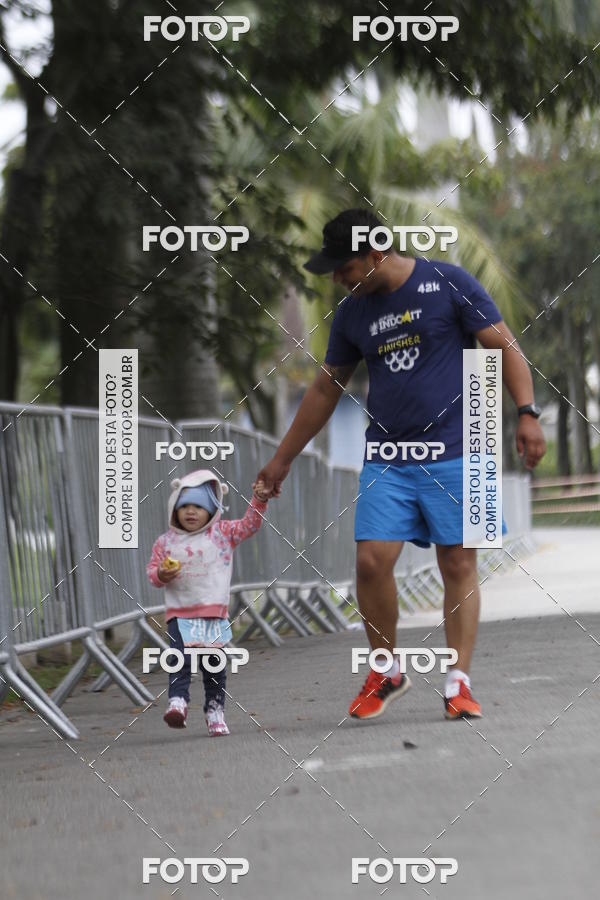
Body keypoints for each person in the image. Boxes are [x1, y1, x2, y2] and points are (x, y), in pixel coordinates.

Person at [257, 208, 545, 721]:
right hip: (389, 456)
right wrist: (281, 461)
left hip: (462, 449)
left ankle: (458, 683)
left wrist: (527, 413)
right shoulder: (351, 315)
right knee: (370, 561)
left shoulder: (446, 282)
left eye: (344, 268)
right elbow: (326, 388)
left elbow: (503, 346)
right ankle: (386, 670)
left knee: (457, 563)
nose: (339, 280)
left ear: (375, 253)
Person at [147, 469, 269, 735]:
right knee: (179, 658)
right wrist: (161, 574)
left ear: (212, 509)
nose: (191, 512)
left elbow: (250, 525)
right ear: (174, 509)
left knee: (213, 663)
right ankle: (177, 701)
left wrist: (259, 500)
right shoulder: (166, 542)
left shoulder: (222, 533)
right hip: (180, 613)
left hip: (214, 612)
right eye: (185, 506)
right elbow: (153, 574)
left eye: (199, 506)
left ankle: (215, 709)